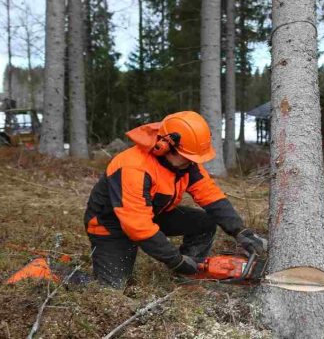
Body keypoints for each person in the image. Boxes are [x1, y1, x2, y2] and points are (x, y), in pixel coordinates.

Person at [84, 111, 266, 288]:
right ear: (165, 146)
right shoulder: (134, 167)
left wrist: (240, 231)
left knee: (204, 223)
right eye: (188, 157)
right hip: (110, 225)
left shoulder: (186, 165)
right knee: (113, 288)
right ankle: (64, 276)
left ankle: (189, 275)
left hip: (151, 213)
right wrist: (176, 261)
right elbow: (137, 226)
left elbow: (211, 196)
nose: (192, 162)